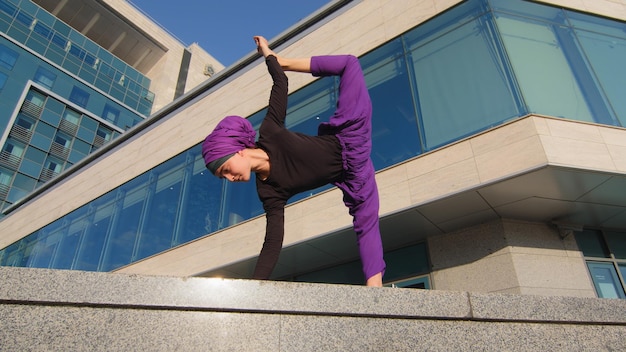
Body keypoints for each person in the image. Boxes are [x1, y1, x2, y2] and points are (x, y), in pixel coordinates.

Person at [202, 36, 385, 287]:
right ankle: (376, 290)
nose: (229, 178)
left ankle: (285, 59)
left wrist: (272, 57)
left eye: (225, 170)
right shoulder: (269, 191)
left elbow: (280, 82)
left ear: (238, 151)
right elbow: (272, 243)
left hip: (349, 138)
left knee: (350, 64)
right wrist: (255, 288)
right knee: (366, 220)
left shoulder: (270, 132)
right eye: (223, 177)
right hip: (353, 176)